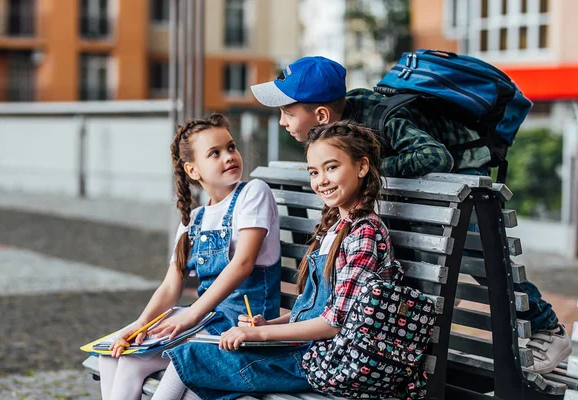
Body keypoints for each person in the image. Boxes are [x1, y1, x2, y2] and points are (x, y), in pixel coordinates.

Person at [249, 56, 571, 374]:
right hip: (429, 193)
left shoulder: (381, 118)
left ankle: (549, 328)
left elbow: (436, 156)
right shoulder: (342, 127)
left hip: (463, 176)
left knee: (484, 260)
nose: (282, 122)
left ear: (321, 115)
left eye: (287, 113)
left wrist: (372, 172)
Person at [149, 121, 404, 400]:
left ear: (362, 167)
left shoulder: (363, 233)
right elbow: (311, 311)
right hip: (309, 351)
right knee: (195, 369)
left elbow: (334, 324)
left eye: (331, 167)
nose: (322, 180)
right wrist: (268, 325)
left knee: (191, 358)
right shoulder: (335, 229)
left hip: (328, 360)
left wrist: (260, 337)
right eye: (314, 172)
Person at [97, 113, 282, 400]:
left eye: (231, 147)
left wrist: (191, 316)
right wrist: (140, 323)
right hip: (205, 322)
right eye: (215, 153)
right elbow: (172, 284)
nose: (228, 157)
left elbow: (242, 264)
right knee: (113, 354)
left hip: (241, 326)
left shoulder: (253, 193)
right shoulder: (193, 219)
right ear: (193, 170)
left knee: (145, 361)